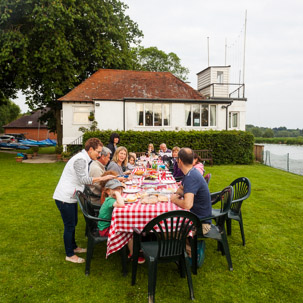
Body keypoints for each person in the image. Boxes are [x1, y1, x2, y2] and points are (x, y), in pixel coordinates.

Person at [53, 138, 115, 264]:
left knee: (73, 222)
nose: (99, 154)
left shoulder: (84, 158)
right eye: (97, 151)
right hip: (65, 197)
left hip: (71, 196)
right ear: (90, 149)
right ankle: (69, 254)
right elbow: (83, 180)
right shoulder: (81, 159)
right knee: (69, 226)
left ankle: (74, 247)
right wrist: (104, 178)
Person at [170, 147, 211, 266]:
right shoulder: (190, 172)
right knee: (169, 223)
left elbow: (188, 204)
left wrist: (174, 199)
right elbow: (184, 190)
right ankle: (186, 250)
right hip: (197, 216)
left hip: (201, 223)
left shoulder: (191, 176)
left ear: (180, 161)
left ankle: (192, 254)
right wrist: (177, 193)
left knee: (170, 229)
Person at [98, 179, 145, 264]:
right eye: (115, 189)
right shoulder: (110, 200)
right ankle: (132, 254)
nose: (118, 191)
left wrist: (117, 193)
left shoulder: (111, 199)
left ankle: (136, 246)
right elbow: (121, 204)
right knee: (129, 231)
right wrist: (117, 193)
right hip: (105, 229)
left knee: (130, 226)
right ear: (108, 191)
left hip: (108, 224)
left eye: (119, 189)